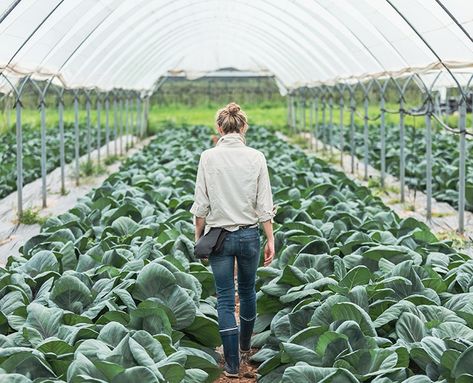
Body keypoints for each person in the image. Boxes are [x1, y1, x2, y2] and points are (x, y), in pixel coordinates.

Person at [190, 102, 275, 378]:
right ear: (244, 127)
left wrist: (199, 238)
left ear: (219, 129)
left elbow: (200, 206)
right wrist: (270, 238)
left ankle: (231, 366)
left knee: (226, 299)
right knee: (248, 291)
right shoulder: (256, 157)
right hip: (250, 234)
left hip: (219, 237)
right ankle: (245, 347)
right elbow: (264, 205)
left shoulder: (208, 157)